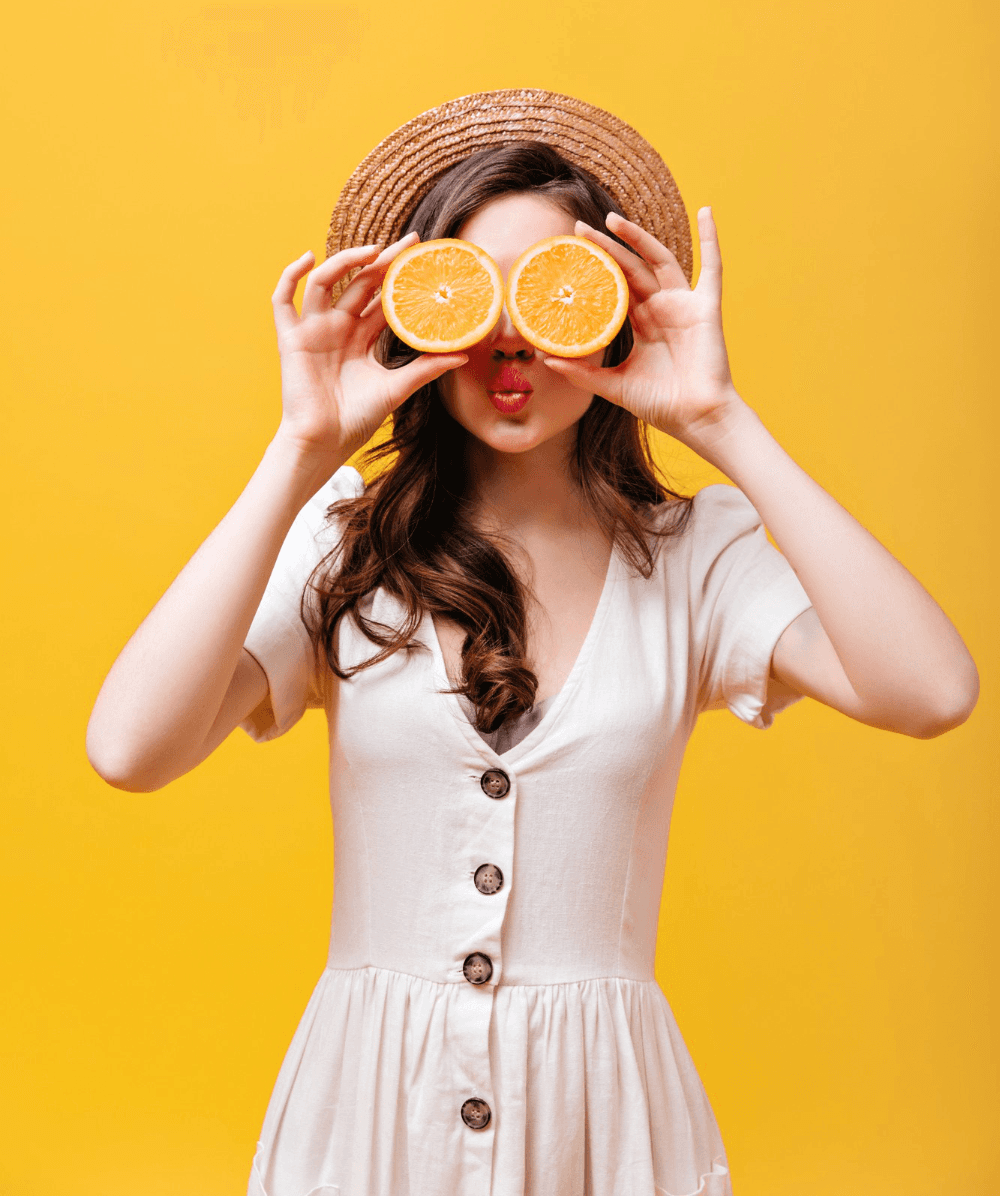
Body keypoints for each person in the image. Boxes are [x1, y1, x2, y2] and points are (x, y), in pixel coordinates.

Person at [86, 90, 979, 1196]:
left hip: (603, 1120)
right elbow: (129, 747)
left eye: (549, 290)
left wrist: (718, 421)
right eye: (470, 292)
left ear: (607, 309)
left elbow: (932, 688)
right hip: (372, 1113)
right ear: (417, 314)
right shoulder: (343, 546)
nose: (508, 336)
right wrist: (302, 446)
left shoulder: (694, 555)